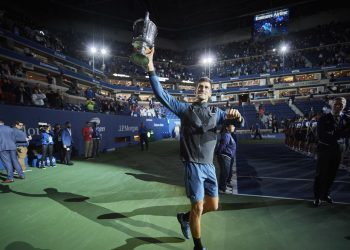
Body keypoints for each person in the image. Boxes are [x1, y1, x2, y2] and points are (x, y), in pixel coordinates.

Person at [145, 48, 243, 250]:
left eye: (206, 87)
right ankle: (198, 247)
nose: (203, 89)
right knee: (198, 206)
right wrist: (150, 64)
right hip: (193, 166)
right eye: (200, 86)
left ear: (211, 91)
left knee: (213, 206)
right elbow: (160, 93)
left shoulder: (218, 113)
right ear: (195, 90)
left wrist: (239, 116)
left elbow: (239, 123)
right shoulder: (184, 110)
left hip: (209, 166)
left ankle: (184, 218)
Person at [313, 97, 350, 207]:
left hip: (338, 150)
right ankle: (317, 197)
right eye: (336, 104)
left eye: (341, 104)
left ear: (345, 105)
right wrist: (339, 134)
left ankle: (325, 194)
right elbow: (322, 136)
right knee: (320, 174)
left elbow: (348, 134)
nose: (339, 105)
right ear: (332, 105)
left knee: (332, 174)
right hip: (324, 149)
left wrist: (334, 134)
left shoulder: (347, 119)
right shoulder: (323, 118)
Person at [216, 123, 236, 194]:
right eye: (232, 126)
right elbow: (222, 146)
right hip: (225, 156)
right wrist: (220, 154)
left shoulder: (228, 135)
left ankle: (223, 186)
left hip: (227, 156)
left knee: (226, 173)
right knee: (225, 173)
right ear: (227, 128)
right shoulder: (226, 135)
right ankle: (222, 188)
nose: (234, 127)